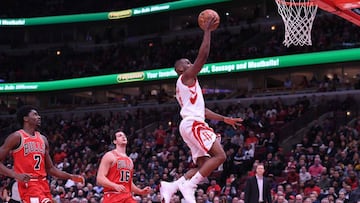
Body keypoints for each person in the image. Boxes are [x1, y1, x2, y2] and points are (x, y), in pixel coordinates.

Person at [159, 14, 243, 203]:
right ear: (181, 69)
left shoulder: (186, 88)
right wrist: (207, 31)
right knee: (220, 156)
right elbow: (203, 56)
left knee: (205, 165)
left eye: (190, 63)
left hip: (190, 124)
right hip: (193, 125)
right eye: (187, 64)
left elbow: (203, 111)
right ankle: (189, 185)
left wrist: (224, 119)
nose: (190, 65)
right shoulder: (185, 77)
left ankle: (172, 185)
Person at [0, 105, 84, 203]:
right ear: (25, 118)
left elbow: (50, 169)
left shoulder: (43, 139)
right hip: (27, 183)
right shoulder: (17, 137)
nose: (39, 117)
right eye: (35, 114)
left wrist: (70, 176)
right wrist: (15, 175)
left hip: (43, 184)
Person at [96, 130, 151, 203]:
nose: (123, 137)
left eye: (124, 135)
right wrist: (114, 185)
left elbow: (129, 183)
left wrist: (140, 191)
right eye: (119, 136)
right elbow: (100, 178)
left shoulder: (130, 160)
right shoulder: (109, 155)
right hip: (113, 195)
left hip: (127, 196)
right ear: (115, 141)